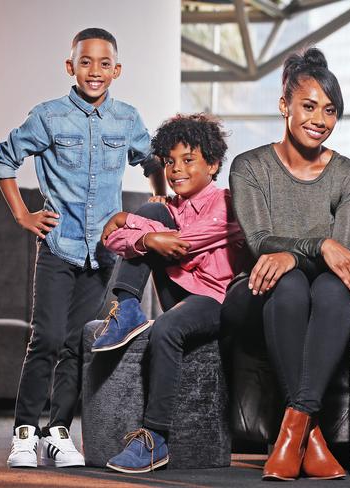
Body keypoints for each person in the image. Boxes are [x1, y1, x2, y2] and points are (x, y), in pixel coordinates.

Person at [0, 28, 166, 468]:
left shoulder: (127, 119)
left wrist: (160, 196)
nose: (95, 71)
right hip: (58, 246)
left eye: (104, 63)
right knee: (47, 338)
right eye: (85, 62)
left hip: (102, 251)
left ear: (117, 70)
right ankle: (25, 432)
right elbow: (4, 161)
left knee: (75, 343)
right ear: (70, 67)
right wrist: (23, 216)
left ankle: (59, 431)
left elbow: (150, 159)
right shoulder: (49, 117)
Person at [222, 47, 350, 481]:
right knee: (285, 284)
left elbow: (341, 259)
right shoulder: (250, 166)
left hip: (333, 300)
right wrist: (315, 245)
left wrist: (301, 252)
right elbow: (260, 243)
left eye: (330, 111)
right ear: (284, 105)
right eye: (308, 106)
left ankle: (295, 430)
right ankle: (313, 436)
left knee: (328, 286)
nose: (319, 119)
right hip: (259, 294)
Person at [94, 113, 245, 473]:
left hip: (217, 300)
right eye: (170, 162)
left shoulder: (228, 203)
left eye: (189, 160)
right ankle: (127, 307)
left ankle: (155, 438)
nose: (177, 170)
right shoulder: (167, 210)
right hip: (177, 294)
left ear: (213, 164)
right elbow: (112, 241)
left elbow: (186, 242)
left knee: (165, 328)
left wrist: (127, 223)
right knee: (152, 211)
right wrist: (146, 234)